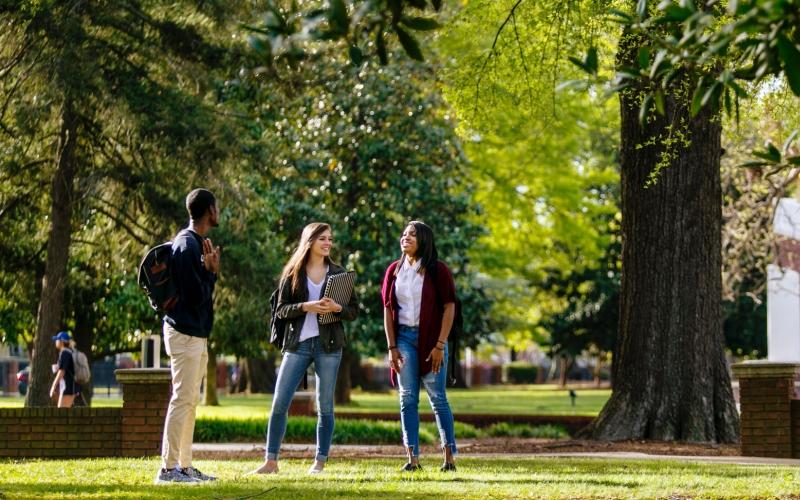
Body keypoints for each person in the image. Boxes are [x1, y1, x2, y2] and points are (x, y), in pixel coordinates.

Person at [249, 222, 358, 475]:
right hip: (297, 344)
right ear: (310, 241)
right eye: (323, 239)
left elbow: (353, 311)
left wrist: (337, 308)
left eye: (330, 239)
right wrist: (305, 306)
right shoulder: (293, 274)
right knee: (279, 403)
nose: (328, 243)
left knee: (325, 406)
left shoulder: (339, 274)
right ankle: (271, 462)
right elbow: (280, 310)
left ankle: (320, 461)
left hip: (328, 346)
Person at [155, 188, 221, 484]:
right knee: (182, 399)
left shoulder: (196, 243)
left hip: (196, 333)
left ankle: (184, 465)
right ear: (209, 210)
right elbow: (195, 296)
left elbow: (201, 294)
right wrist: (210, 273)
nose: (218, 212)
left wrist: (210, 273)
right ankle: (168, 469)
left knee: (190, 400)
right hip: (184, 334)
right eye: (216, 207)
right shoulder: (186, 246)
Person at [381, 220, 458, 472]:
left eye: (412, 235)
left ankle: (449, 458)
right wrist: (392, 347)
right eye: (404, 234)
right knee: (407, 398)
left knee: (438, 398)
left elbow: (449, 306)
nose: (406, 238)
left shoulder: (438, 270)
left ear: (424, 239)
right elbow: (388, 309)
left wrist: (439, 345)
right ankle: (412, 459)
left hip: (433, 340)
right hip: (403, 339)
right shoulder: (394, 270)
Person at [49, 331, 78, 408]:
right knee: (64, 414)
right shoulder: (68, 352)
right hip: (69, 387)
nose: (56, 341)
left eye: (57, 340)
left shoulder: (65, 353)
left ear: (61, 342)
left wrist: (53, 386)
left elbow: (62, 371)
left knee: (62, 413)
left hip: (69, 387)